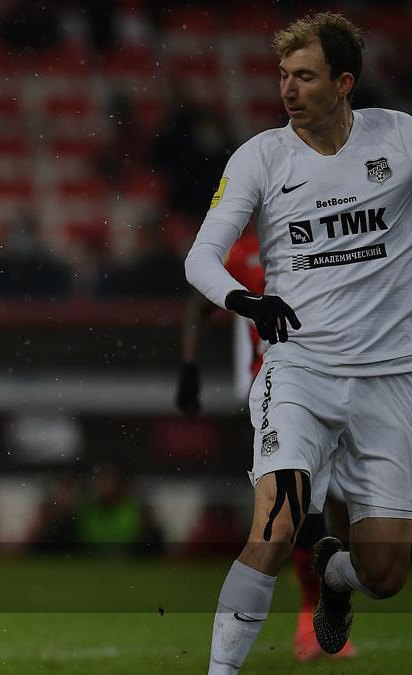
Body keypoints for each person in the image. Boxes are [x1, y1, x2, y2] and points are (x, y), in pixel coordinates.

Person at [184, 13, 412, 673]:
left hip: (390, 380)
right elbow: (201, 258)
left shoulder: (398, 138)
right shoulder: (261, 156)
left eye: (305, 76)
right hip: (300, 372)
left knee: (386, 574)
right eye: (283, 75)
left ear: (345, 82)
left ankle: (334, 576)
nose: (288, 88)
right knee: (275, 527)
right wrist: (246, 299)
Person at [177, 232, 357, 660]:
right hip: (273, 391)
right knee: (300, 507)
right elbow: (200, 305)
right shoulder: (241, 253)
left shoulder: (325, 234)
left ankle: (334, 588)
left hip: (338, 382)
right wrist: (189, 368)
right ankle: (311, 611)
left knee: (345, 506)